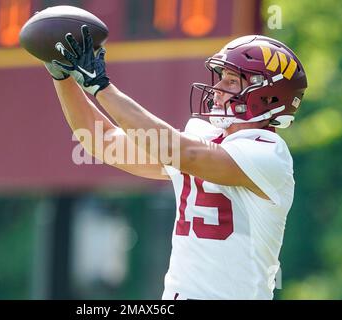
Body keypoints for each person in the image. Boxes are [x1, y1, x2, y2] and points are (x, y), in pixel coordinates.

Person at [45, 25, 308, 300]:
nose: (217, 88)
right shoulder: (206, 140)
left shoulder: (268, 154)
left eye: (231, 81)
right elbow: (104, 141)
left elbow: (181, 152)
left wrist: (101, 87)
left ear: (267, 97)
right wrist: (63, 77)